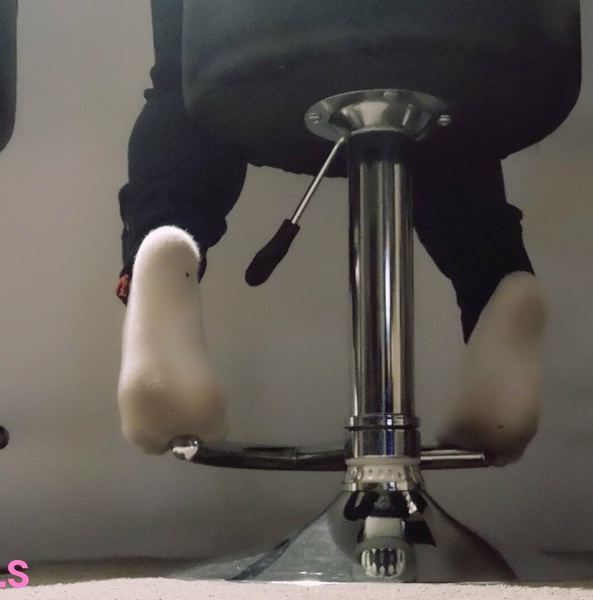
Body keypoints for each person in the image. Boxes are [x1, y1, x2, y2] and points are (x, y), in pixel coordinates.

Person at [115, 0, 546, 466]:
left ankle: (164, 241)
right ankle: (497, 284)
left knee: (188, 81)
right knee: (448, 84)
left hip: (266, 39)